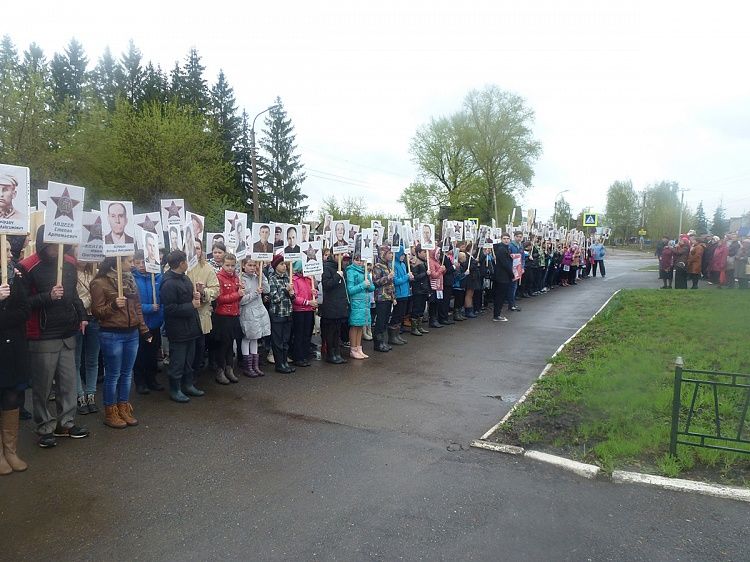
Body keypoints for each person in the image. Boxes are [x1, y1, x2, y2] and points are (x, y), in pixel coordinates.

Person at [19, 225, 89, 448]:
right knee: (43, 386)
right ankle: (44, 427)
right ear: (43, 242)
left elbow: (74, 294)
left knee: (67, 383)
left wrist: (82, 315)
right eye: (52, 244)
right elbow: (22, 305)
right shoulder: (27, 266)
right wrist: (47, 297)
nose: (56, 249)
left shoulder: (69, 262)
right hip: (43, 335)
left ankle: (65, 424)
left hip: (67, 332)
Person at [90, 256, 150, 428]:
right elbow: (97, 311)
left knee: (127, 373)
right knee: (113, 374)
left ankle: (123, 407)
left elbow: (137, 307)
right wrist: (114, 306)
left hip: (131, 333)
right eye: (129, 261)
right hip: (112, 334)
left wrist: (143, 329)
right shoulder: (100, 283)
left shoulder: (130, 280)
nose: (132, 264)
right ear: (117, 261)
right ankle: (111, 411)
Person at [0, 236, 30, 473]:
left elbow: (24, 310)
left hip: (14, 346)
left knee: (12, 396)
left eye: (10, 249)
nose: (11, 253)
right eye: (6, 249)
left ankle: (10, 450)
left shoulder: (17, 276)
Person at [160, 250, 204, 403]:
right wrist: (191, 305)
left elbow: (189, 298)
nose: (188, 263)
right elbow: (170, 309)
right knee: (178, 361)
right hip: (178, 330)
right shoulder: (168, 283)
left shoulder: (185, 278)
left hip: (191, 327)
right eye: (186, 260)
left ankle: (188, 384)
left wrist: (197, 295)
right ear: (181, 263)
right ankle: (175, 389)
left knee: (189, 360)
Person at [132, 251, 164, 394]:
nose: (141, 266)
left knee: (152, 353)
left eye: (144, 262)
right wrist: (148, 308)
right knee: (140, 354)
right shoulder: (131, 279)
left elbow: (162, 298)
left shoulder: (158, 277)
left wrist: (160, 314)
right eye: (137, 263)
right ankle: (140, 382)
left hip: (155, 323)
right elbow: (132, 302)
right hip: (140, 323)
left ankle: (152, 380)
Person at [187, 238, 219, 377]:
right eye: (193, 247)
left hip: (201, 315)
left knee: (199, 348)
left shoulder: (207, 268)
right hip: (185, 315)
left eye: (198, 248)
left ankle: (194, 377)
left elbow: (216, 290)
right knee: (186, 349)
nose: (196, 251)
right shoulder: (180, 267)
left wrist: (204, 291)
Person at [74, 260, 100, 415]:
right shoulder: (69, 271)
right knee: (75, 360)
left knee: (92, 359)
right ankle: (79, 396)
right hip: (76, 319)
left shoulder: (95, 273)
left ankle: (91, 394)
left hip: (94, 319)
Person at [213, 253, 243, 384]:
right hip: (223, 316)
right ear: (222, 264)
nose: (230, 268)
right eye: (227, 265)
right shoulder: (218, 278)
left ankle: (229, 368)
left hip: (234, 315)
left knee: (231, 343)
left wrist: (240, 293)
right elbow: (219, 299)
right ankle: (220, 370)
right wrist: (237, 294)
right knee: (222, 345)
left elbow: (238, 298)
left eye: (232, 265)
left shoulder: (236, 277)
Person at [238, 258, 270, 376]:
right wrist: (255, 293)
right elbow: (241, 300)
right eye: (249, 265)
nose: (252, 267)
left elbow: (267, 289)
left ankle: (255, 366)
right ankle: (247, 366)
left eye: (254, 265)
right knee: (247, 337)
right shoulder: (241, 280)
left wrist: (262, 275)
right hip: (248, 312)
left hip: (259, 311)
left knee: (255, 338)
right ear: (243, 266)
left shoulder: (258, 278)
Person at [318, 251, 349, 364]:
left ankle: (337, 352)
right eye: (338, 255)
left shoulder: (341, 267)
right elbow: (327, 284)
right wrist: (337, 276)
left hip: (340, 304)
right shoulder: (327, 267)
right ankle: (331, 354)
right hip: (331, 305)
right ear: (334, 255)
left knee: (337, 330)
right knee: (330, 331)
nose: (340, 258)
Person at [267, 254, 296, 373]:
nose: (284, 266)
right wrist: (286, 291)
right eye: (281, 264)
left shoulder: (287, 278)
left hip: (288, 312)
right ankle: (279, 364)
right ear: (275, 266)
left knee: (285, 340)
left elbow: (293, 297)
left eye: (285, 264)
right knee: (278, 341)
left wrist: (291, 292)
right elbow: (275, 298)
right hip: (277, 314)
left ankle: (284, 362)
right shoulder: (272, 278)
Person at [346, 252, 374, 359]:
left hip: (365, 303)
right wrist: (363, 285)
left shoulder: (364, 271)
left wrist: (369, 283)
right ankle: (353, 349)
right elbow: (350, 289)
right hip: (356, 302)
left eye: (361, 260)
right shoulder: (351, 271)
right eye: (357, 260)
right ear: (353, 260)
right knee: (355, 325)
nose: (359, 262)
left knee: (361, 325)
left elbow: (372, 288)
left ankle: (359, 348)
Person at [291, 261, 318, 365]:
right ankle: (298, 357)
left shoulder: (308, 279)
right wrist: (308, 302)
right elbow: (295, 297)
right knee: (299, 335)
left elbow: (311, 293)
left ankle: (305, 356)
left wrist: (314, 294)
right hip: (299, 311)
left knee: (307, 334)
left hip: (308, 310)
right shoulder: (294, 279)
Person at [371, 245, 396, 352]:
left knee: (386, 320)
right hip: (381, 297)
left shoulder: (389, 265)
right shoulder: (377, 266)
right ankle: (378, 343)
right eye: (389, 253)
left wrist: (393, 297)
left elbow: (391, 284)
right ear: (383, 254)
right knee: (380, 320)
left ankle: (383, 341)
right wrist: (387, 277)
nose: (391, 255)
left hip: (388, 297)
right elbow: (376, 282)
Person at [389, 245, 412, 344]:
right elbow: (395, 281)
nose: (403, 256)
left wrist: (409, 278)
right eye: (402, 254)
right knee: (397, 315)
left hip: (405, 293)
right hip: (398, 293)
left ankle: (397, 334)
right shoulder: (393, 264)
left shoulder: (403, 264)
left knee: (401, 315)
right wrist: (407, 277)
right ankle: (392, 337)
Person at [409, 246, 430, 336]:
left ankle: (419, 326)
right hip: (418, 289)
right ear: (418, 253)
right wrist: (425, 273)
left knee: (421, 308)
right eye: (423, 252)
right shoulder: (415, 263)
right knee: (416, 308)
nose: (425, 253)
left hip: (424, 289)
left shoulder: (425, 262)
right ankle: (414, 328)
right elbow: (414, 278)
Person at [492, 234, 514, 321]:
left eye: (508, 239)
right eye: (504, 239)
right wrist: (511, 274)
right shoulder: (501, 249)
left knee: (500, 296)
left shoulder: (504, 248)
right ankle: (497, 315)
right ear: (501, 239)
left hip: (502, 275)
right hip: (502, 276)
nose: (506, 240)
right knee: (500, 296)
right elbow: (505, 264)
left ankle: (497, 314)